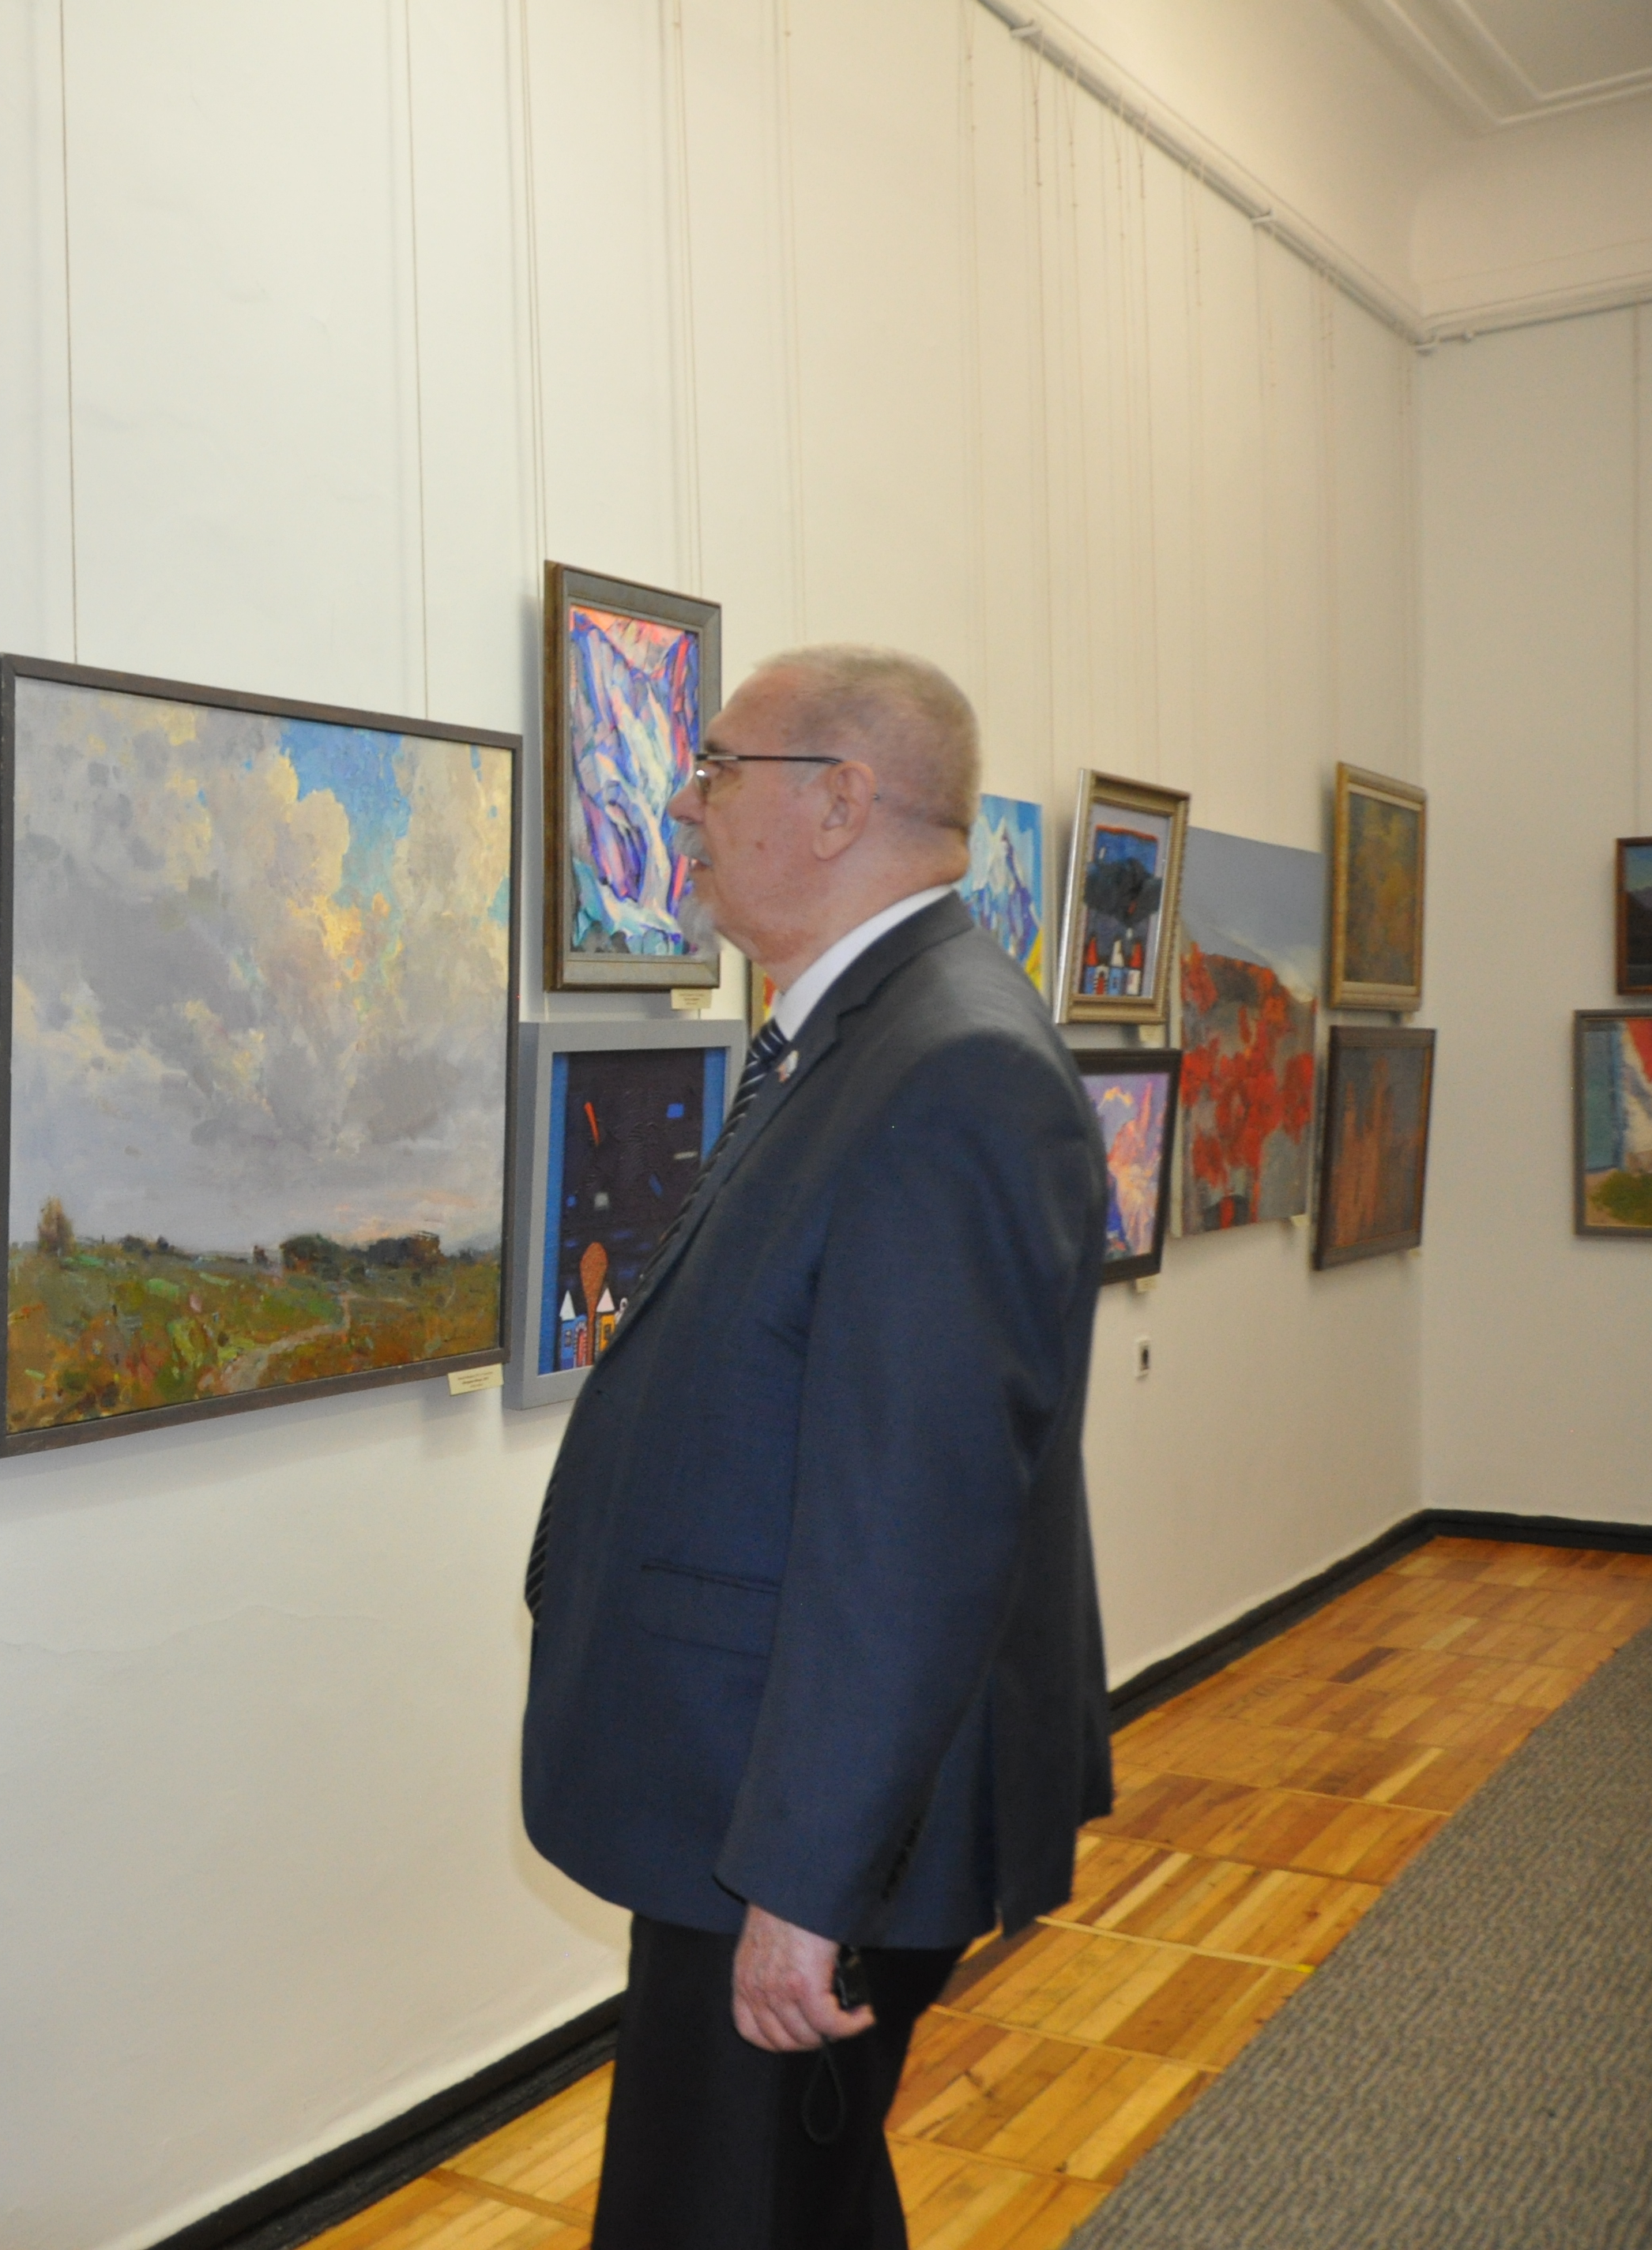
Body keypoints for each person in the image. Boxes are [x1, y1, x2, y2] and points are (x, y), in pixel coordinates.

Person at [518, 646, 1113, 2249]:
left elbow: (912, 1532)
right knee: (794, 2205)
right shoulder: (863, 1033)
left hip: (794, 1829)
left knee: (719, 2217)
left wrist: (803, 1886)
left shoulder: (953, 1068)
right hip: (753, 1791)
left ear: (840, 800)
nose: (681, 805)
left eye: (715, 769)